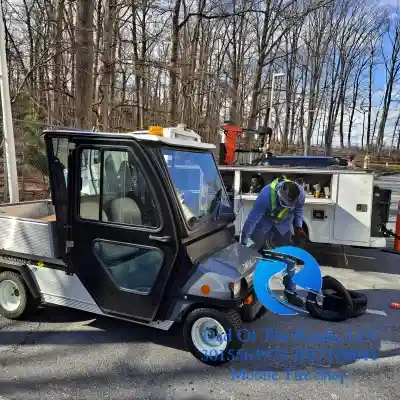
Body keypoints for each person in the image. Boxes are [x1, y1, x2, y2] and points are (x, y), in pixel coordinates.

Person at [240, 177, 307, 307]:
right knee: (249, 256)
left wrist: (298, 227)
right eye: (283, 203)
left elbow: (299, 211)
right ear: (278, 193)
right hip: (263, 225)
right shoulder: (265, 195)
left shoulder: (300, 194)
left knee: (290, 258)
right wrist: (243, 243)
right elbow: (252, 220)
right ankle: (245, 292)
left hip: (283, 226)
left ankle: (290, 292)